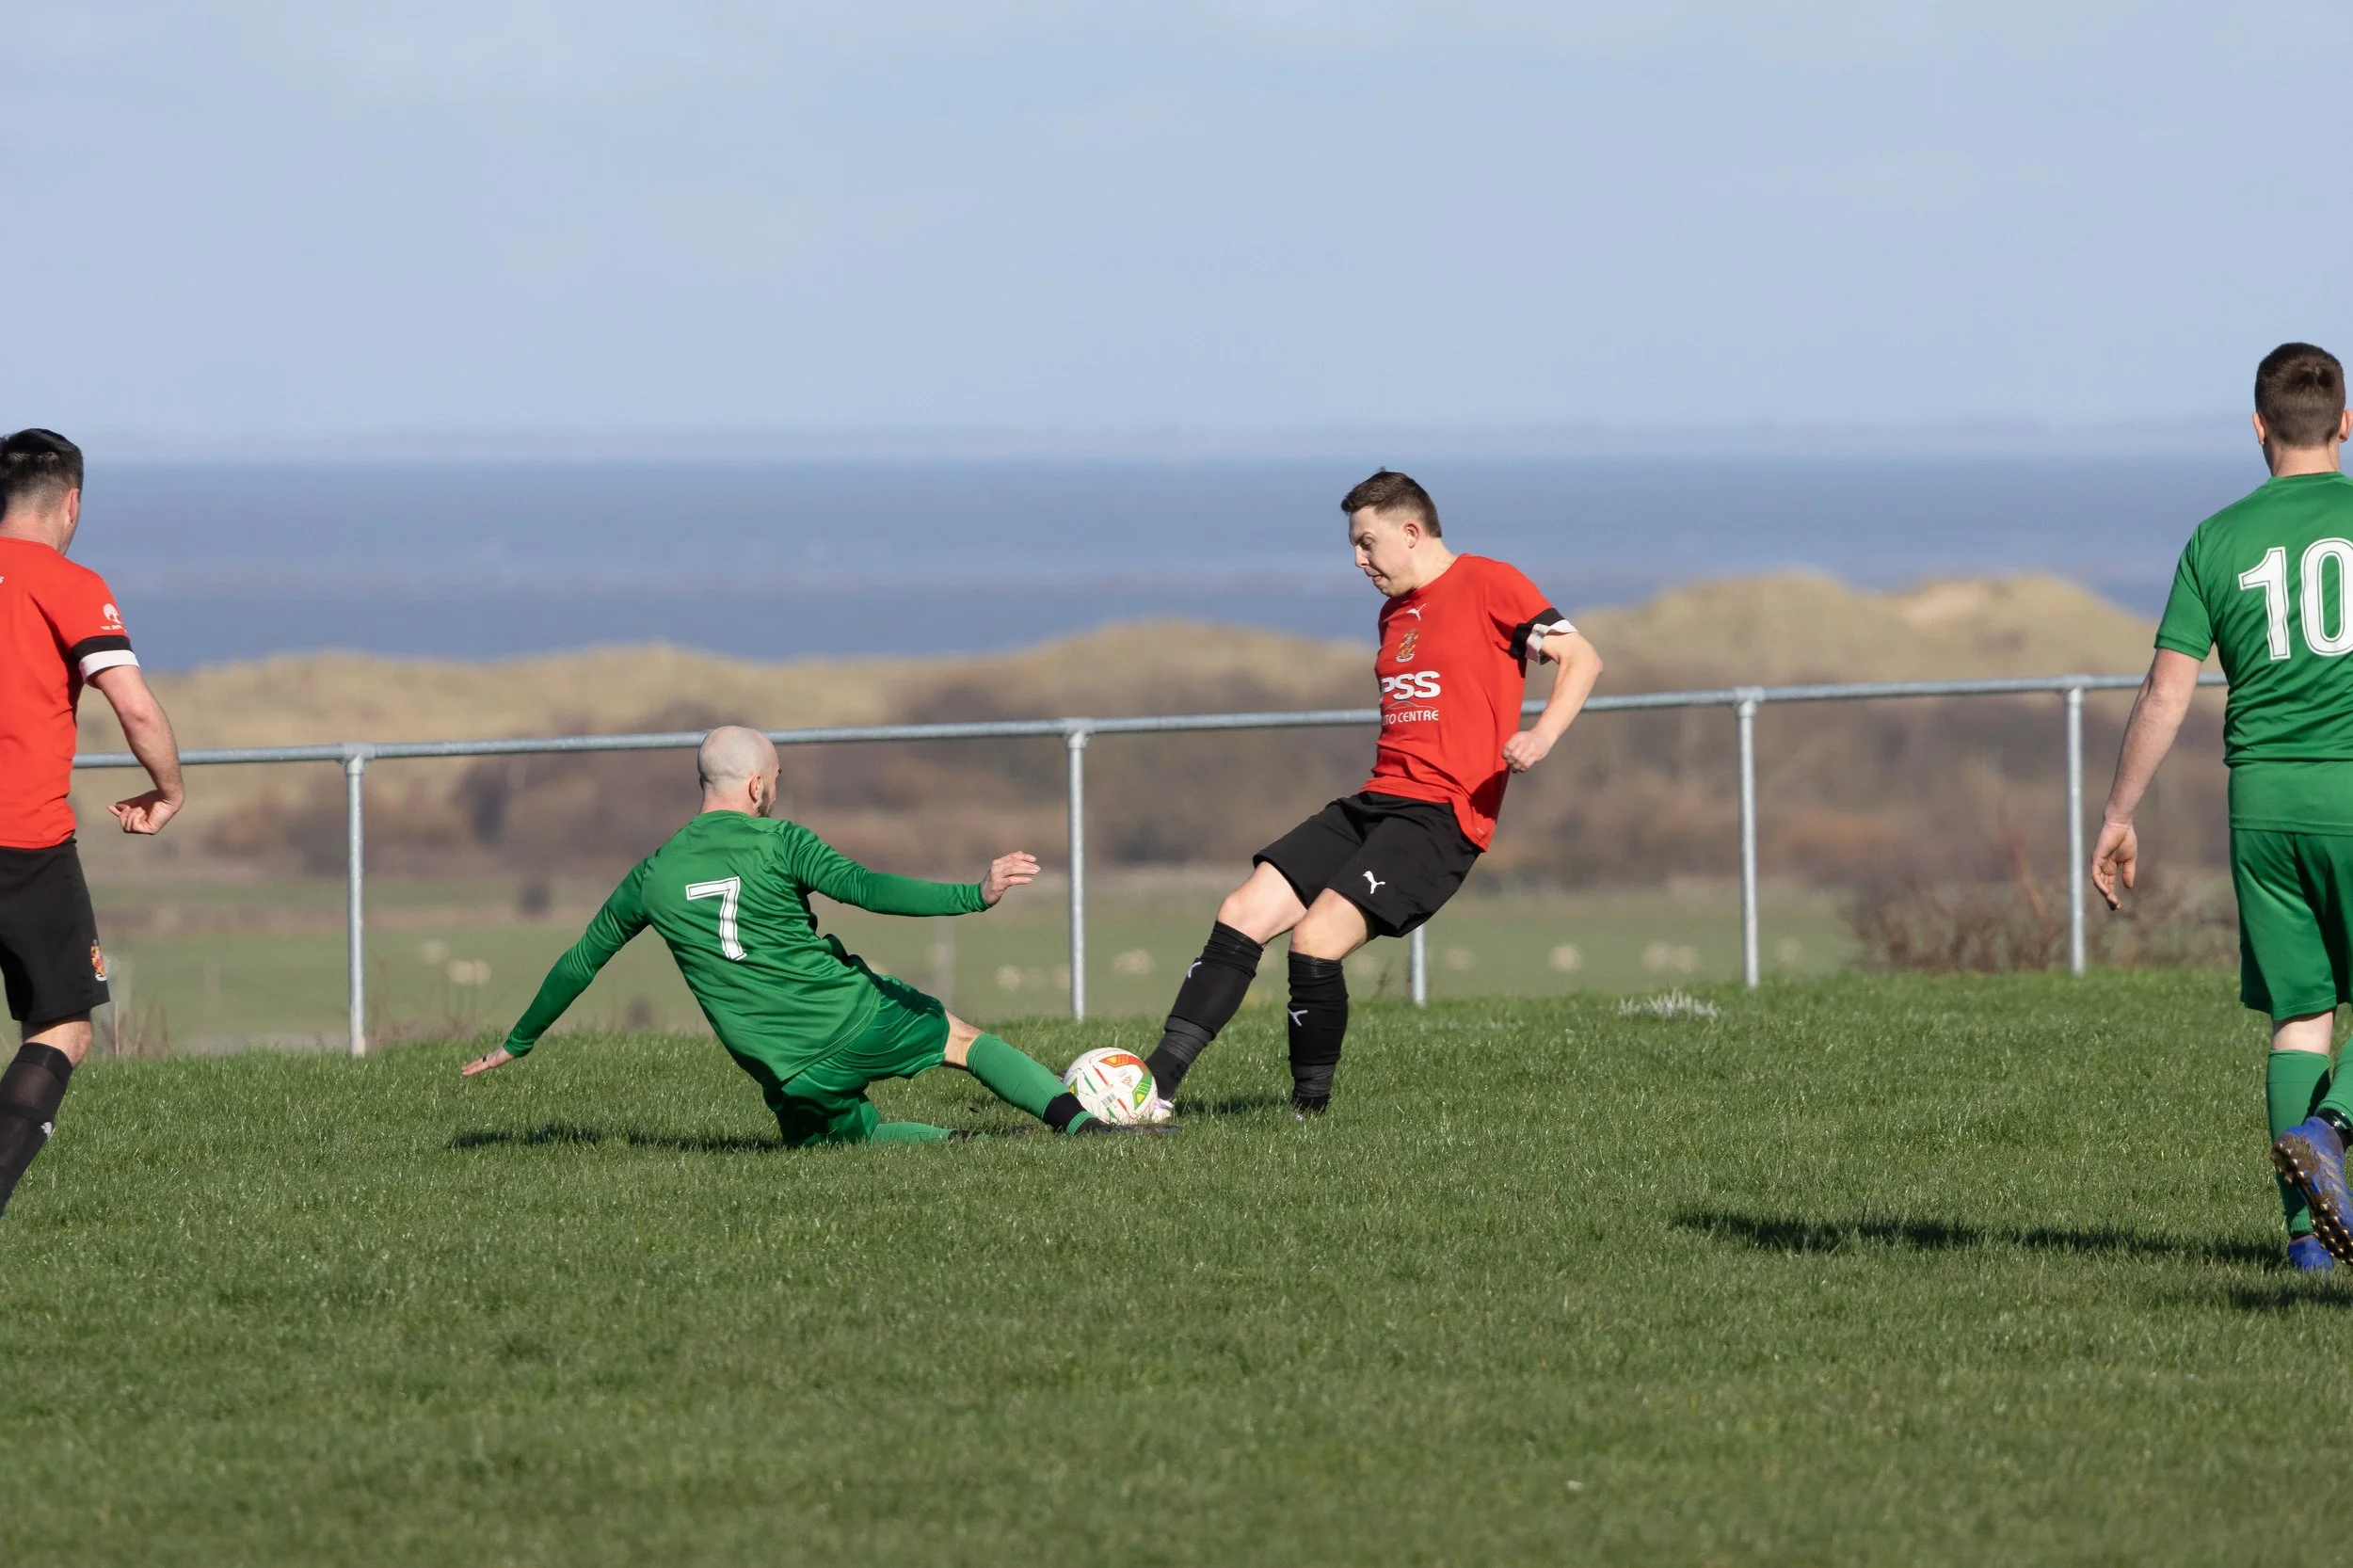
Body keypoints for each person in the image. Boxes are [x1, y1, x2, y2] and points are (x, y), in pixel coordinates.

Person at [1141, 470, 1604, 1117]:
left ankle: (1309, 1115)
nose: (1359, 560)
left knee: (1316, 938)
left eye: (1367, 543)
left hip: (1441, 818)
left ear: (1411, 532)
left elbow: (1582, 658)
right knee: (1244, 909)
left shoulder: (1489, 582)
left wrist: (1542, 735)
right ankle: (1153, 1087)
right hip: (1375, 802)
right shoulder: (1396, 612)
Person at [463, 726, 1153, 1142]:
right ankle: (1088, 1130)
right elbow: (870, 889)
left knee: (841, 1144)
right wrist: (977, 893)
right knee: (963, 1040)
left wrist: (516, 1042)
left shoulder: (653, 875)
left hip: (781, 1067)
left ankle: (970, 1143)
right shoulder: (780, 842)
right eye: (779, 780)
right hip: (851, 1018)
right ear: (757, 785)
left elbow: (581, 960)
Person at [2093, 343, 2353, 1272]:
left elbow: (2166, 691)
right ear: (2345, 424)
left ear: (2257, 428)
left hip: (2262, 805)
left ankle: (2309, 1251)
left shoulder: (2216, 539)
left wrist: (2118, 813)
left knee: (2300, 1013)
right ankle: (2331, 1127)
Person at [0, 429, 185, 1218]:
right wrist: (167, 788)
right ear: (70, 503)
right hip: (24, 845)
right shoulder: (68, 583)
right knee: (61, 1026)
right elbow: (134, 704)